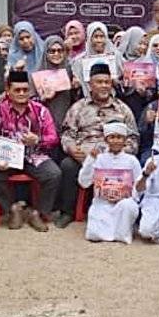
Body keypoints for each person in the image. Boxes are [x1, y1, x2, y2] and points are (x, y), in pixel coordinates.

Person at [56, 63, 138, 228]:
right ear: (90, 85)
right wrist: (71, 149)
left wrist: (117, 152)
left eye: (107, 82)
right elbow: (66, 134)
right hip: (84, 157)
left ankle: (124, 214)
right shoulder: (78, 108)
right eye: (99, 82)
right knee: (67, 165)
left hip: (115, 158)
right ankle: (67, 212)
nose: (104, 86)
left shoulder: (122, 109)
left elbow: (133, 139)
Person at [0, 70, 61, 231]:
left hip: (33, 155)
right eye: (17, 90)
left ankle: (38, 213)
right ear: (8, 90)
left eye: (25, 90)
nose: (22, 93)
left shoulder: (40, 111)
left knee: (54, 174)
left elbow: (53, 137)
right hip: (7, 158)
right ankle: (12, 209)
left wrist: (38, 140)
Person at [77, 122, 143, 244]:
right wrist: (91, 160)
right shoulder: (99, 158)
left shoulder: (132, 160)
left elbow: (139, 186)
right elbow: (83, 182)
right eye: (112, 137)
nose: (116, 141)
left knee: (128, 206)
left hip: (123, 202)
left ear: (125, 140)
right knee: (94, 235)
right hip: (102, 202)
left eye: (119, 137)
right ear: (106, 140)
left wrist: (126, 195)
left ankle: (122, 232)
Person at [34, 35, 77, 154]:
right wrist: (43, 98)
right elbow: (30, 103)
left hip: (67, 125)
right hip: (45, 127)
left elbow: (76, 100)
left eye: (60, 50)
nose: (56, 54)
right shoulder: (37, 72)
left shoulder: (70, 70)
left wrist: (76, 88)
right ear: (46, 53)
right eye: (52, 51)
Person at [70, 21, 124, 96]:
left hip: (112, 98)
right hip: (87, 99)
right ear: (90, 39)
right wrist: (77, 82)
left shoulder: (116, 57)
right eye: (96, 37)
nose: (99, 40)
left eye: (102, 36)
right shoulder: (79, 61)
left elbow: (124, 81)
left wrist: (116, 81)